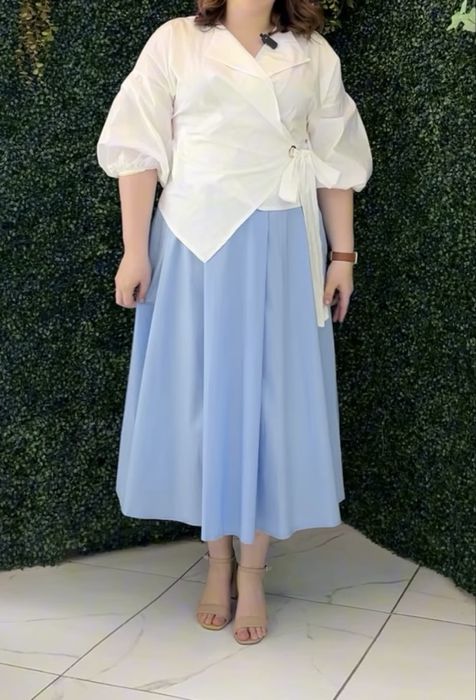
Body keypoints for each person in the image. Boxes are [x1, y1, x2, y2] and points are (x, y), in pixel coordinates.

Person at [96, 0, 373, 646]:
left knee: (271, 407)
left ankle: (252, 571)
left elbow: (332, 156)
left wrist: (343, 255)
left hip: (284, 246)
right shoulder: (176, 41)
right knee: (206, 399)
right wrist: (135, 250)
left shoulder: (314, 54)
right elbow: (139, 145)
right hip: (195, 244)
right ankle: (216, 561)